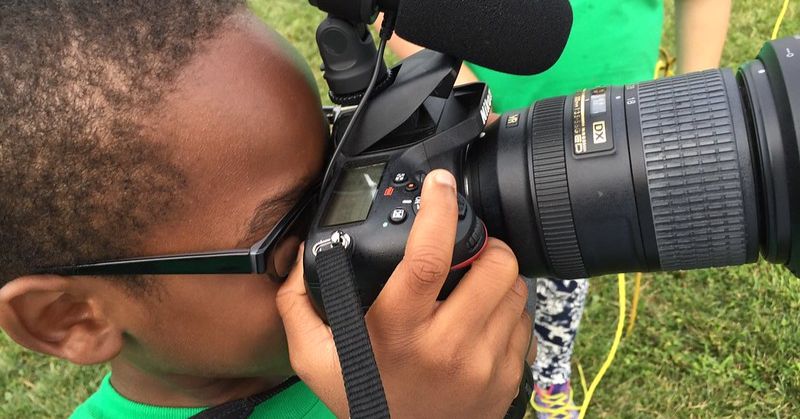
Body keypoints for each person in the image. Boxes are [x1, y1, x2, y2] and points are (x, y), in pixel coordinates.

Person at [0, 2, 534, 418]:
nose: (348, 222)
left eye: (339, 165)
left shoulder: (396, 327)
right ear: (68, 317)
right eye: (285, 243)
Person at [380, 0, 732, 417]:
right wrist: (479, 105)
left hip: (614, 142)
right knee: (475, 288)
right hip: (479, 139)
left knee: (569, 271)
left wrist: (689, 107)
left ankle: (550, 376)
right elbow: (394, 10)